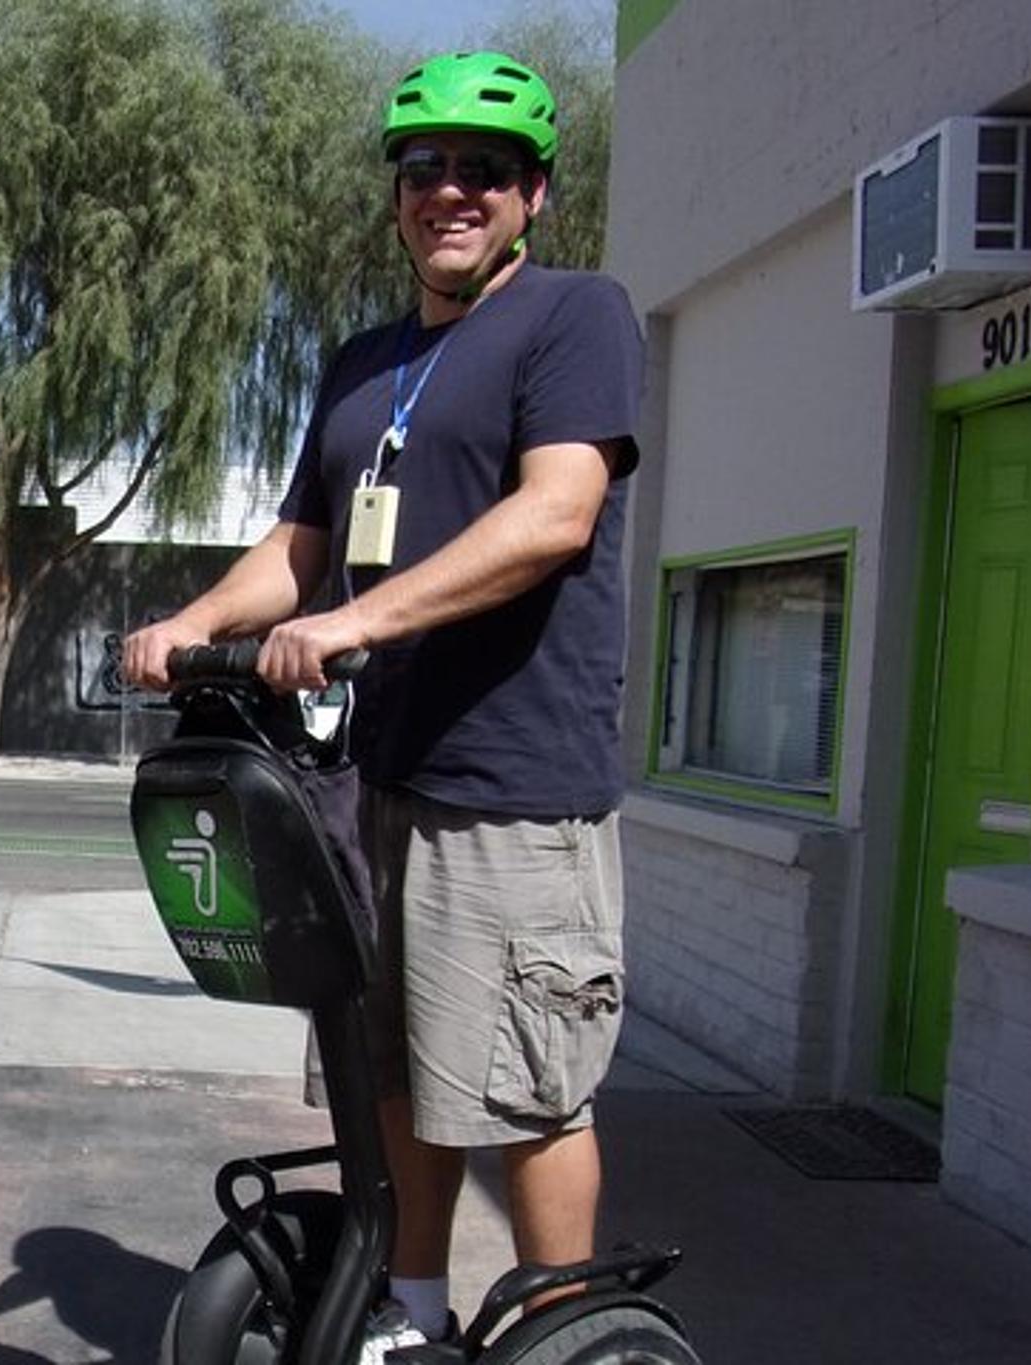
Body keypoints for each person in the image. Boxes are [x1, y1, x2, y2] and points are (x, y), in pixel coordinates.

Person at [124, 51, 644, 1359]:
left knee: (525, 1094)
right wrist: (198, 622)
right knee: (395, 1074)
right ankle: (411, 1310)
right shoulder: (368, 361)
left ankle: (563, 1327)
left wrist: (357, 618)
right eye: (427, 171)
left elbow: (556, 512)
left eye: (483, 171)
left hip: (515, 786)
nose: (451, 192)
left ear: (534, 195)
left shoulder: (578, 316)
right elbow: (302, 543)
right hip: (373, 780)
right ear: (399, 195)